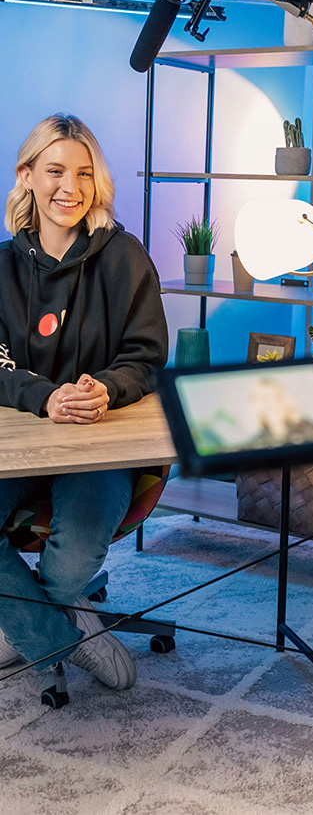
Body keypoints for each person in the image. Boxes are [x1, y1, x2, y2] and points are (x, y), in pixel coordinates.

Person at [0, 114, 168, 691]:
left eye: (84, 173)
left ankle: (30, 620)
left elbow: (145, 358)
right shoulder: (1, 267)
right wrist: (45, 397)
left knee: (70, 566)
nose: (69, 187)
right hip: (19, 447)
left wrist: (105, 388)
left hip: (101, 446)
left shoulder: (124, 257)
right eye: (54, 171)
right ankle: (60, 636)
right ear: (26, 175)